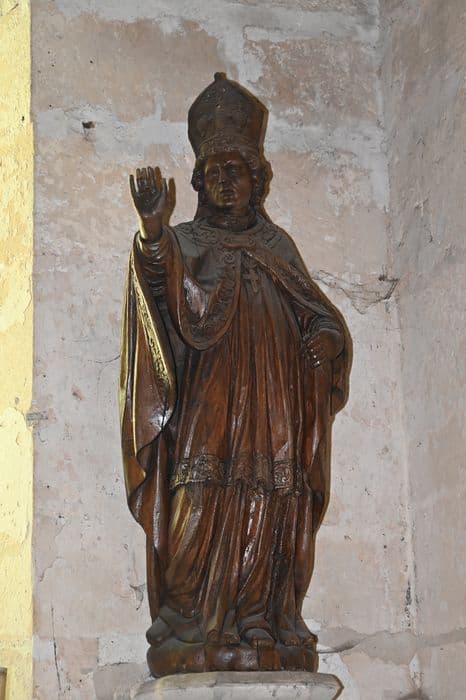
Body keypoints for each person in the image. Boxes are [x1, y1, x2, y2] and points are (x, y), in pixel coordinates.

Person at [120, 73, 350, 676]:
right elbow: (155, 290)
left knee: (271, 498)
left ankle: (260, 615)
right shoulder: (184, 242)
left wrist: (326, 339)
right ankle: (192, 617)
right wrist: (152, 232)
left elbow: (318, 315)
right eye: (215, 170)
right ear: (198, 183)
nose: (226, 179)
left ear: (258, 180)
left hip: (275, 406)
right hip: (208, 400)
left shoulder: (278, 246)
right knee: (197, 495)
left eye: (237, 170)